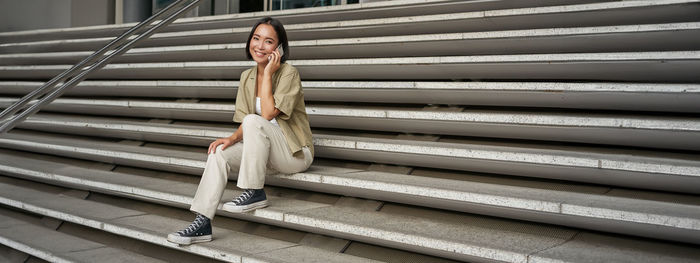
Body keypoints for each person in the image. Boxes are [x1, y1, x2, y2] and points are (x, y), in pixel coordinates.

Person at [167, 17, 314, 245]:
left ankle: (254, 191)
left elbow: (265, 115)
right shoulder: (247, 76)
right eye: (256, 39)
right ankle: (202, 222)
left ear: (279, 48)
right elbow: (248, 122)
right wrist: (231, 139)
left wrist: (267, 75)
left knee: (255, 120)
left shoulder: (288, 73)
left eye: (268, 42)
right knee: (219, 153)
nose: (259, 46)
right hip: (264, 152)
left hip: (294, 153)